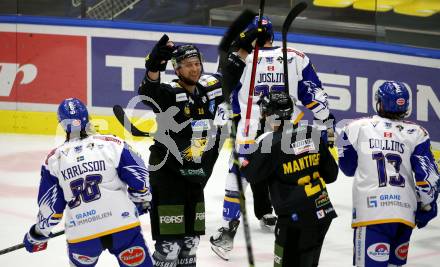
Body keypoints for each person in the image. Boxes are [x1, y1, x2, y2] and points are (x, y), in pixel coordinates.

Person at [210, 15, 336, 260]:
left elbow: (225, 90)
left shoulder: (238, 57)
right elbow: (314, 93)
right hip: (285, 127)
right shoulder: (296, 57)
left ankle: (227, 231)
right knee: (286, 170)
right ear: (272, 36)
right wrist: (323, 113)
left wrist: (224, 112)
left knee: (239, 174)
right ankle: (286, 216)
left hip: (249, 127)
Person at [23, 98, 153, 267]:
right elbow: (140, 179)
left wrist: (37, 233)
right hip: (122, 227)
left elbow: (51, 210)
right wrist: (141, 200)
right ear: (88, 117)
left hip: (83, 235)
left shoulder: (54, 160)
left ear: (61, 124)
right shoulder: (112, 144)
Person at [138, 35, 225, 266]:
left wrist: (246, 46)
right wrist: (154, 67)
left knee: (190, 245)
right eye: (188, 65)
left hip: (193, 174)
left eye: (197, 63)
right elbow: (149, 92)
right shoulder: (169, 94)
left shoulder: (209, 90)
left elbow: (232, 71)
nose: (194, 69)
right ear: (177, 70)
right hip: (168, 175)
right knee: (170, 248)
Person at [338, 81, 440, 267]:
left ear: (380, 103)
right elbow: (429, 179)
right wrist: (427, 207)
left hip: (371, 214)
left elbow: (347, 168)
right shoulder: (418, 133)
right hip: (404, 215)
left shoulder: (355, 127)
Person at [239, 90, 338, 267]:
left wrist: (249, 153)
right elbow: (331, 175)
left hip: (294, 219)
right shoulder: (311, 132)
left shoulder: (270, 142)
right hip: (322, 211)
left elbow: (251, 175)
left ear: (268, 114)